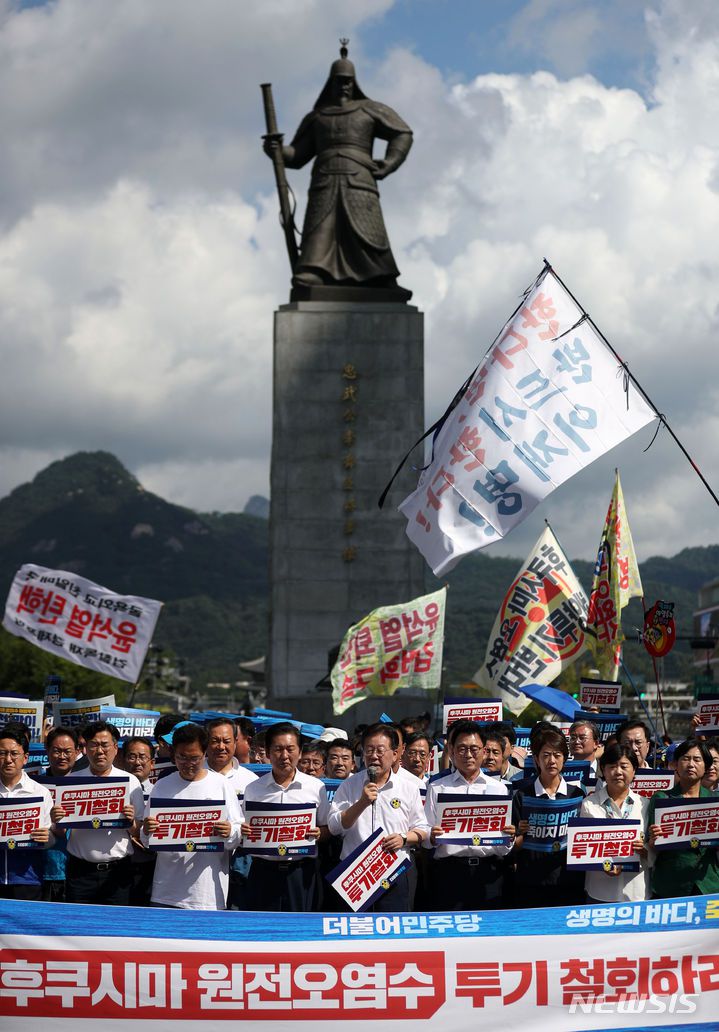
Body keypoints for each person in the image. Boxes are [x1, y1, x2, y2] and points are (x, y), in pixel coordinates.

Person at [264, 43, 412, 294]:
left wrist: (389, 163)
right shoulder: (318, 116)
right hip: (325, 181)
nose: (344, 84)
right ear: (330, 82)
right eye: (339, 80)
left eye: (348, 80)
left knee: (367, 232)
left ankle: (379, 276)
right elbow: (297, 155)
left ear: (355, 82)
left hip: (359, 180)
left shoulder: (369, 110)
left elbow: (402, 133)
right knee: (320, 229)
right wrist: (276, 150)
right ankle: (314, 271)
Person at [328, 723, 428, 912]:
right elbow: (334, 827)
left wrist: (404, 838)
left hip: (394, 871)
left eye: (380, 751)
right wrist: (361, 803)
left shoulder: (408, 788)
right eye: (369, 750)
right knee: (356, 934)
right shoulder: (349, 786)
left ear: (396, 754)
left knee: (394, 934)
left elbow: (423, 829)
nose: (374, 756)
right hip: (356, 875)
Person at [142, 722, 242, 910]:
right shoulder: (162, 786)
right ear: (173, 754)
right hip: (166, 892)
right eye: (182, 757)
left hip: (206, 893)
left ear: (205, 753)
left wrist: (229, 831)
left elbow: (237, 833)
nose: (188, 764)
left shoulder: (220, 784)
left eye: (194, 758)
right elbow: (147, 840)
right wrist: (146, 830)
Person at [425, 721, 514, 910]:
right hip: (449, 874)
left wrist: (508, 837)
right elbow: (425, 837)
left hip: (488, 874)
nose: (468, 755)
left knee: (488, 933)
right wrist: (431, 835)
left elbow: (503, 849)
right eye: (462, 748)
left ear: (483, 751)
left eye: (474, 749)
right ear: (451, 750)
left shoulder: (498, 788)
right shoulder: (438, 787)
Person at [54, 720, 144, 906]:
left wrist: (131, 823)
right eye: (94, 745)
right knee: (78, 929)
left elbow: (139, 832)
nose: (100, 751)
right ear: (86, 748)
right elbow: (61, 833)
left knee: (115, 929)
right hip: (80, 872)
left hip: (118, 873)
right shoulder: (71, 781)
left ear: (115, 748)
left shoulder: (130, 781)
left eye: (105, 745)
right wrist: (57, 821)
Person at [242, 722, 327, 912]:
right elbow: (243, 830)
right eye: (278, 749)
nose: (284, 756)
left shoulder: (315, 787)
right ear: (268, 752)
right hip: (263, 872)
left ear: (299, 751)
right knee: (261, 930)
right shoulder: (253, 788)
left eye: (290, 749)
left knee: (299, 932)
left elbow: (327, 828)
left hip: (300, 872)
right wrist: (243, 830)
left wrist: (319, 833)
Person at [511, 726, 585, 908]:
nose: (551, 760)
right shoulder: (522, 795)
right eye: (545, 755)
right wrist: (519, 833)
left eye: (557, 755)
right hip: (531, 883)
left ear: (565, 759)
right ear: (536, 759)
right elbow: (513, 846)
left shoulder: (576, 794)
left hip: (568, 881)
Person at [647, 738, 719, 898]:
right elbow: (650, 844)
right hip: (670, 885)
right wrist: (653, 842)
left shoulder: (715, 800)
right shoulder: (661, 798)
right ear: (676, 765)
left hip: (708, 884)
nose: (691, 764)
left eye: (697, 759)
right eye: (685, 759)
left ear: (706, 766)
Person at [579, 743, 648, 902]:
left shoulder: (645, 804)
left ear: (634, 770)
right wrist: (602, 863)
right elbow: (583, 849)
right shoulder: (589, 804)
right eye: (612, 766)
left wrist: (645, 850)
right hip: (600, 891)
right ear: (603, 770)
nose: (618, 772)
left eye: (624, 766)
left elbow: (653, 846)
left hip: (636, 892)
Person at [204, 717, 258, 911]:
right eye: (215, 740)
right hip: (201, 869)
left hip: (241, 868)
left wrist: (238, 830)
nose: (221, 746)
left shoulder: (251, 781)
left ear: (236, 743)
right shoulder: (192, 775)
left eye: (226, 741)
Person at [0, 726, 54, 900]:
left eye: (14, 753)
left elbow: (50, 837)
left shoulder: (40, 792)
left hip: (27, 879)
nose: (8, 759)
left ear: (25, 758)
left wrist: (47, 837)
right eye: (2, 753)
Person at [42, 725, 81, 901]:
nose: (62, 756)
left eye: (67, 751)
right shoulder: (34, 785)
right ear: (47, 750)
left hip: (78, 873)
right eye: (57, 751)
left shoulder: (88, 785)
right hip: (41, 871)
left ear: (77, 751)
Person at [121, 736, 157, 906]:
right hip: (120, 865)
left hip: (150, 866)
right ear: (123, 759)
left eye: (142, 757)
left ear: (152, 763)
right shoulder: (112, 790)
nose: (137, 762)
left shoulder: (161, 792)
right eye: (132, 756)